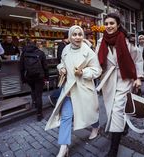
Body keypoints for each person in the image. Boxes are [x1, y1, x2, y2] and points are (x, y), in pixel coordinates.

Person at [45, 25, 102, 157]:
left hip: (83, 88)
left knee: (90, 112)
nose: (77, 37)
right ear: (70, 36)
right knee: (66, 117)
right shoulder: (65, 49)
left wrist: (83, 72)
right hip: (69, 90)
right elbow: (62, 63)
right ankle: (64, 147)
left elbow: (97, 70)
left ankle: (96, 126)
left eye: (80, 34)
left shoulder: (88, 51)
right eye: (74, 34)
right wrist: (61, 68)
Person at [96, 13, 144, 157]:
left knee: (116, 110)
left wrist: (139, 78)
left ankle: (113, 149)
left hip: (124, 79)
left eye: (112, 23)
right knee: (112, 110)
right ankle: (122, 126)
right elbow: (94, 60)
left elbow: (138, 59)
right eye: (107, 23)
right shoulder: (101, 41)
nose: (109, 26)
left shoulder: (126, 41)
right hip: (108, 81)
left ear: (118, 24)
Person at [20, 40, 49, 121]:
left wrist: (23, 79)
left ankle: (35, 103)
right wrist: (47, 78)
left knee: (33, 89)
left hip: (28, 76)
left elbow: (21, 68)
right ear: (36, 45)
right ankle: (39, 114)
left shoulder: (24, 53)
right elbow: (45, 67)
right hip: (39, 76)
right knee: (39, 94)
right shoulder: (40, 53)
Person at [48, 32, 69, 106]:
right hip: (64, 69)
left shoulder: (65, 45)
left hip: (66, 68)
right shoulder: (62, 45)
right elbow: (60, 57)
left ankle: (58, 99)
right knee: (65, 86)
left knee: (65, 85)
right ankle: (53, 96)